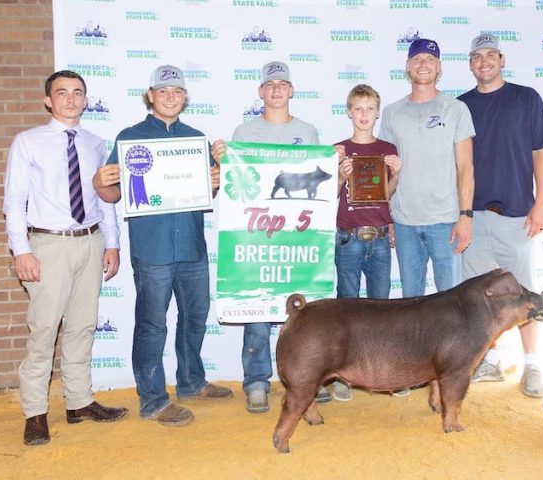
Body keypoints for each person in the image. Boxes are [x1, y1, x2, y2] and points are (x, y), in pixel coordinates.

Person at [93, 65, 232, 427]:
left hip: (192, 246)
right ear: (150, 95)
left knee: (195, 317)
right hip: (152, 249)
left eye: (177, 91)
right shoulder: (129, 138)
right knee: (152, 325)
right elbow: (111, 194)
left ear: (185, 97)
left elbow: (208, 192)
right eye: (164, 90)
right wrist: (100, 183)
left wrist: (216, 178)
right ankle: (153, 400)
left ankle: (191, 382)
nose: (171, 96)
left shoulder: (196, 139)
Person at [4, 70, 127, 446]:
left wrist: (112, 243)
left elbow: (105, 199)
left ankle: (79, 401)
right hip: (48, 245)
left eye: (77, 92)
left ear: (86, 101)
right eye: (62, 92)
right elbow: (14, 201)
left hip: (90, 241)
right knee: (44, 329)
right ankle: (34, 413)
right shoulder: (28, 142)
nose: (70, 99)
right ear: (48, 100)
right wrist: (22, 250)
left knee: (82, 326)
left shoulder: (96, 143)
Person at [212, 60, 325, 413]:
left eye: (282, 84)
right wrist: (222, 161)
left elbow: (316, 178)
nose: (276, 89)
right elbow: (238, 181)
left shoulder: (308, 132)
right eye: (270, 84)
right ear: (261, 91)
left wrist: (332, 161)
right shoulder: (244, 132)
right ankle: (257, 381)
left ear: (291, 90)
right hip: (258, 233)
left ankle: (308, 378)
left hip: (298, 235)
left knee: (303, 313)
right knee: (257, 308)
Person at [458, 33, 543, 398]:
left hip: (516, 216)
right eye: (477, 57)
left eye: (490, 55)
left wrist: (541, 203)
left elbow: (541, 155)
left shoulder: (526, 98)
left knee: (524, 295)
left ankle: (532, 365)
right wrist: (462, 214)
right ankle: (489, 360)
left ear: (502, 59)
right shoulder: (461, 106)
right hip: (473, 217)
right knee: (481, 297)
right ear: (470, 64)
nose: (483, 62)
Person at [379, 38, 475, 298]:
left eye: (430, 59)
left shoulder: (456, 109)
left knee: (452, 303)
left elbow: (465, 167)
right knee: (411, 304)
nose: (423, 64)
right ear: (407, 66)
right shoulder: (391, 112)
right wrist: (387, 217)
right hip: (404, 223)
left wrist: (465, 216)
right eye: (417, 59)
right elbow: (385, 171)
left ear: (439, 66)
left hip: (446, 222)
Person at [331, 84, 401, 401]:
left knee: (381, 310)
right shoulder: (338, 150)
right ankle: (344, 375)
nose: (364, 114)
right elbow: (328, 195)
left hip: (380, 238)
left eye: (369, 109)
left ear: (377, 113)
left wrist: (396, 175)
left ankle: (384, 372)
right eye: (358, 108)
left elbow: (387, 195)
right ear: (349, 112)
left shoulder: (387, 149)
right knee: (347, 309)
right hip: (348, 237)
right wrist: (340, 175)